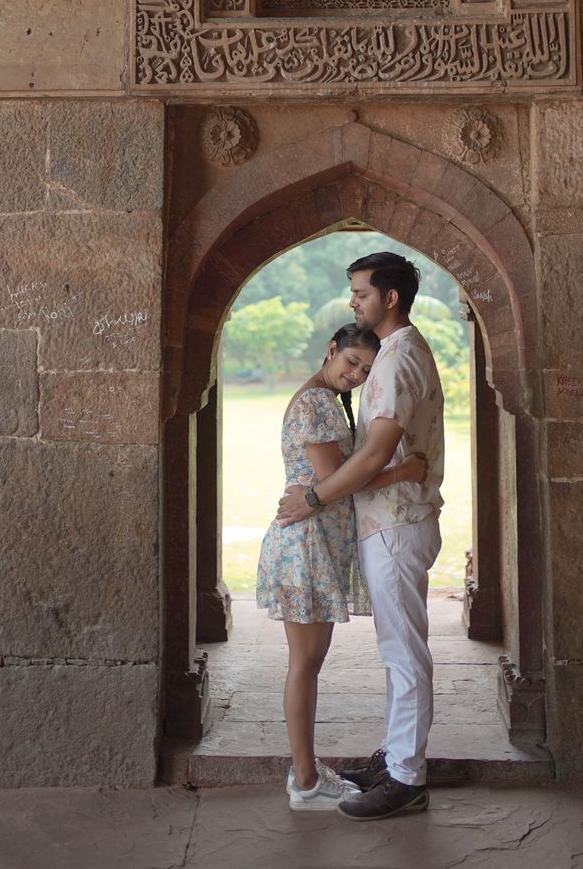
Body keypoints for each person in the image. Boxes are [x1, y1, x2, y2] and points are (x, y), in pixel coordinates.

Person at [277, 252, 445, 821]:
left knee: (403, 653)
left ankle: (406, 776)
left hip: (397, 520)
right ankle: (396, 758)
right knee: (395, 650)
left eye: (360, 293)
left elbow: (374, 453)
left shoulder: (396, 360)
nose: (353, 301)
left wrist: (315, 498)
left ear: (389, 298)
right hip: (385, 517)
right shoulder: (391, 356)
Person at [257, 323, 428, 811]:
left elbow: (329, 484)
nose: (355, 375)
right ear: (331, 351)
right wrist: (405, 472)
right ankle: (306, 783)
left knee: (308, 664)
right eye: (350, 362)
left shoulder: (325, 402)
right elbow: (335, 481)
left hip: (314, 542)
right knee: (305, 665)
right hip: (306, 547)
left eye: (366, 370)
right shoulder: (315, 404)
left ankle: (306, 774)